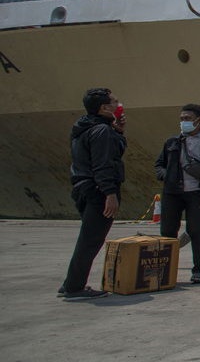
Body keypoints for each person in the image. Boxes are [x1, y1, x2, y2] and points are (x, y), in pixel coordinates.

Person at [60, 88, 126, 301]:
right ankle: (74, 288)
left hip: (82, 187)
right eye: (114, 102)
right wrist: (110, 193)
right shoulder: (101, 131)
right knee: (91, 240)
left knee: (87, 238)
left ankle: (70, 282)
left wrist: (117, 131)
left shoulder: (83, 127)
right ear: (104, 108)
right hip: (98, 191)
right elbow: (103, 164)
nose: (118, 105)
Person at [154, 103, 200, 284]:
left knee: (196, 231)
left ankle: (198, 271)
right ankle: (165, 270)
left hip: (197, 193)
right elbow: (159, 165)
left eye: (187, 119)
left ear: (199, 120)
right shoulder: (172, 142)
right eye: (182, 119)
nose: (183, 122)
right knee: (168, 231)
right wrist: (167, 175)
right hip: (172, 193)